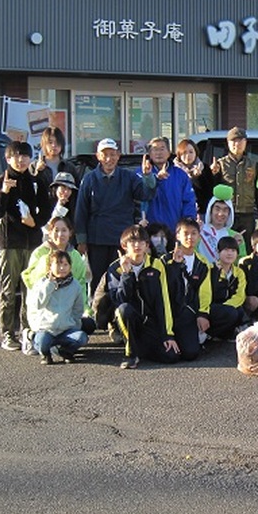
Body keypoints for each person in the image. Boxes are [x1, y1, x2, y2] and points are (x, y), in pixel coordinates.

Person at [0, 141, 52, 351]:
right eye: (16, 156)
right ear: (8, 159)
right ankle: (7, 333)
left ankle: (27, 331)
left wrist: (36, 222)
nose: (21, 160)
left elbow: (46, 209)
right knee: (7, 290)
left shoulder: (36, 181)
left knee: (31, 290)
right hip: (9, 243)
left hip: (32, 243)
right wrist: (4, 192)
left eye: (25, 156)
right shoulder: (1, 181)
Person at [75, 138, 156, 299]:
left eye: (112, 154)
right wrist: (81, 240)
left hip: (122, 238)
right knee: (98, 280)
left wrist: (147, 176)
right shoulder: (89, 179)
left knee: (121, 277)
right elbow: (81, 210)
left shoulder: (128, 177)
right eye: (105, 155)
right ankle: (98, 310)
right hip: (97, 238)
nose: (109, 159)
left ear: (118, 156)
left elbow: (146, 194)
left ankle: (121, 310)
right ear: (98, 156)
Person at [106, 225, 180, 370]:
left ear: (147, 245)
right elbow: (119, 300)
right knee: (124, 309)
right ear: (124, 245)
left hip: (149, 322)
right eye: (132, 242)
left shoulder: (156, 265)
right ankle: (131, 353)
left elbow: (163, 300)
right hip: (129, 321)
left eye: (141, 242)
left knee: (172, 356)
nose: (137, 245)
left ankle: (141, 348)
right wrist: (126, 275)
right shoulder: (115, 268)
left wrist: (168, 335)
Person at [22, 216, 92, 353]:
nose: (60, 234)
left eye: (64, 230)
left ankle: (60, 344)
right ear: (49, 232)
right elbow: (30, 281)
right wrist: (48, 263)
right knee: (43, 344)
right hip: (44, 315)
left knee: (88, 326)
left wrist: (85, 310)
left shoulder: (75, 255)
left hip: (66, 315)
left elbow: (81, 285)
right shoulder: (40, 253)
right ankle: (32, 336)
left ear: (70, 233)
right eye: (56, 230)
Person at [161, 217, 213, 361]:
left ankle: (198, 336)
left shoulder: (203, 263)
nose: (190, 237)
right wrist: (175, 265)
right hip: (167, 312)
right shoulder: (164, 260)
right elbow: (162, 290)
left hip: (187, 313)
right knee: (170, 355)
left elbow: (205, 292)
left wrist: (203, 314)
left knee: (190, 353)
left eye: (194, 233)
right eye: (186, 233)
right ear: (177, 235)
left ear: (199, 236)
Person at [26, 250, 88, 365]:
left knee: (82, 338)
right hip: (46, 329)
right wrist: (49, 285)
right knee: (43, 341)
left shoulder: (75, 285)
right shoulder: (41, 284)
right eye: (58, 264)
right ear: (50, 267)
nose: (62, 268)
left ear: (70, 266)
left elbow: (78, 309)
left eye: (65, 264)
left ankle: (64, 351)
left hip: (66, 330)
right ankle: (45, 353)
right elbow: (38, 304)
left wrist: (73, 324)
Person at [207, 127, 258, 251]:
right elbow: (213, 190)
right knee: (226, 246)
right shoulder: (220, 164)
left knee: (246, 247)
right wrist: (213, 174)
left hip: (247, 214)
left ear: (245, 143)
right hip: (227, 214)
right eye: (234, 141)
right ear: (228, 143)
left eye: (240, 141)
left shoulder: (253, 164)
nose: (237, 144)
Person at [142, 137, 197, 229]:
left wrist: (188, 222)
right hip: (149, 229)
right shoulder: (140, 173)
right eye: (155, 149)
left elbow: (189, 201)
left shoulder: (180, 174)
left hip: (175, 228)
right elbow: (140, 197)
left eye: (162, 149)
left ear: (169, 153)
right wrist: (152, 178)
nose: (159, 153)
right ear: (150, 154)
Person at [205, 236, 247, 339]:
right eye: (226, 250)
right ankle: (208, 334)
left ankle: (225, 335)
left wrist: (226, 307)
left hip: (227, 306)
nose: (229, 253)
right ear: (218, 252)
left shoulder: (239, 272)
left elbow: (240, 295)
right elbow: (206, 293)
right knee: (232, 313)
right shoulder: (210, 269)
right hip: (211, 307)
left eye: (233, 250)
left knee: (239, 311)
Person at [196, 184, 247, 263]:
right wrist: (196, 234)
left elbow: (241, 263)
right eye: (217, 209)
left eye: (225, 210)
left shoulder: (235, 236)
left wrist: (236, 247)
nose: (220, 214)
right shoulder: (199, 231)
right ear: (210, 210)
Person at [30, 126, 80, 200]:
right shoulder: (34, 166)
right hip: (42, 205)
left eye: (57, 142)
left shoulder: (69, 167)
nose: (54, 145)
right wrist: (37, 172)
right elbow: (30, 190)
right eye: (50, 142)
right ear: (44, 144)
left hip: (64, 205)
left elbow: (77, 191)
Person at [174, 138, 207, 210]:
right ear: (179, 154)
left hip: (200, 211)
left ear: (196, 153)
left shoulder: (204, 168)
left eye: (191, 152)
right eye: (184, 153)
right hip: (179, 209)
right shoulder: (174, 170)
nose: (188, 155)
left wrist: (197, 178)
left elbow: (208, 192)